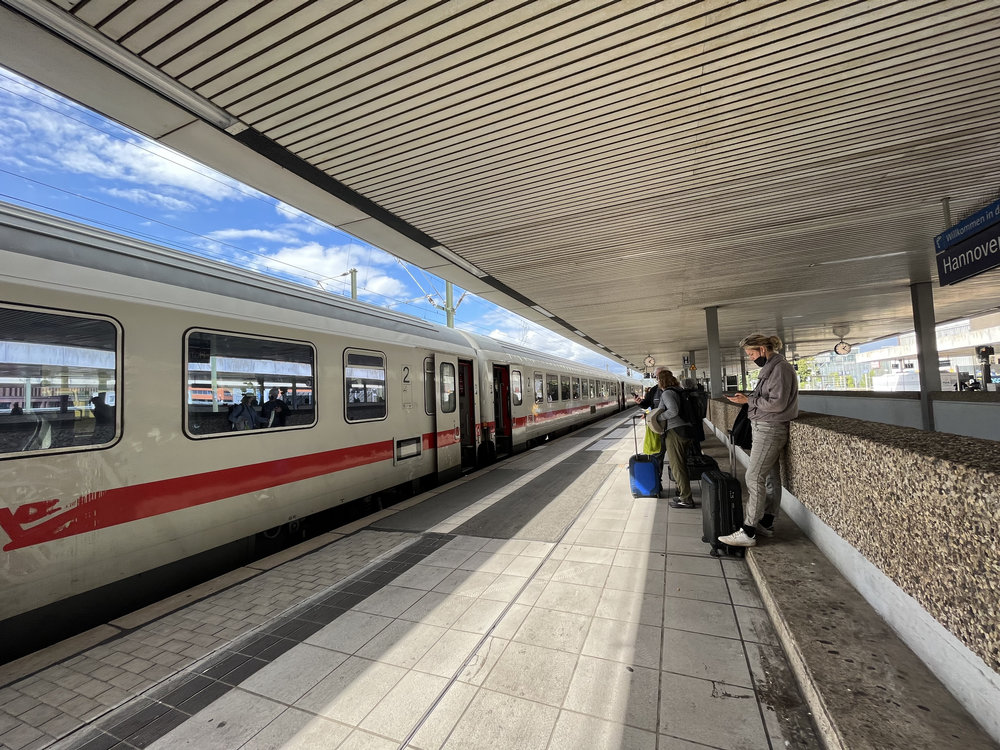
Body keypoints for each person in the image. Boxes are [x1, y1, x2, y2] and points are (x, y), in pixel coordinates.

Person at [719, 333, 799, 547]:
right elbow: (768, 399)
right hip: (765, 427)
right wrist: (748, 399)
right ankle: (767, 522)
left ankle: (748, 531)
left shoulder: (780, 369)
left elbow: (777, 403)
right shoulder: (773, 368)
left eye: (751, 353)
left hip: (770, 428)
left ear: (763, 349)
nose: (751, 357)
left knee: (753, 477)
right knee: (771, 477)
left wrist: (749, 400)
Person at [635, 369, 694, 507]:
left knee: (677, 466)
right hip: (685, 430)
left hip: (675, 432)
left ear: (661, 381)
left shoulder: (667, 393)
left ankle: (686, 499)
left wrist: (657, 418)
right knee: (680, 464)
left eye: (658, 379)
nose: (657, 381)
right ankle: (682, 493)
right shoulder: (678, 390)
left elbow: (673, 411)